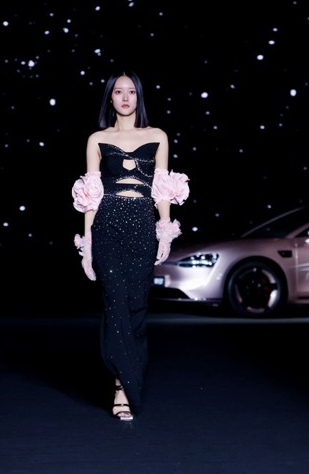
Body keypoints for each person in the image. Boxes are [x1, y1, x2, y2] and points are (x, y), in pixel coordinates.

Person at [72, 70, 190, 421]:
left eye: (131, 92)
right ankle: (121, 386)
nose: (125, 98)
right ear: (110, 98)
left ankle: (129, 374)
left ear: (139, 96)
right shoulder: (97, 139)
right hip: (107, 224)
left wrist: (164, 230)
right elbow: (91, 194)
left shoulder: (157, 136)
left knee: (137, 305)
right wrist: (87, 245)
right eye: (118, 92)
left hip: (141, 224)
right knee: (115, 302)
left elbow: (162, 188)